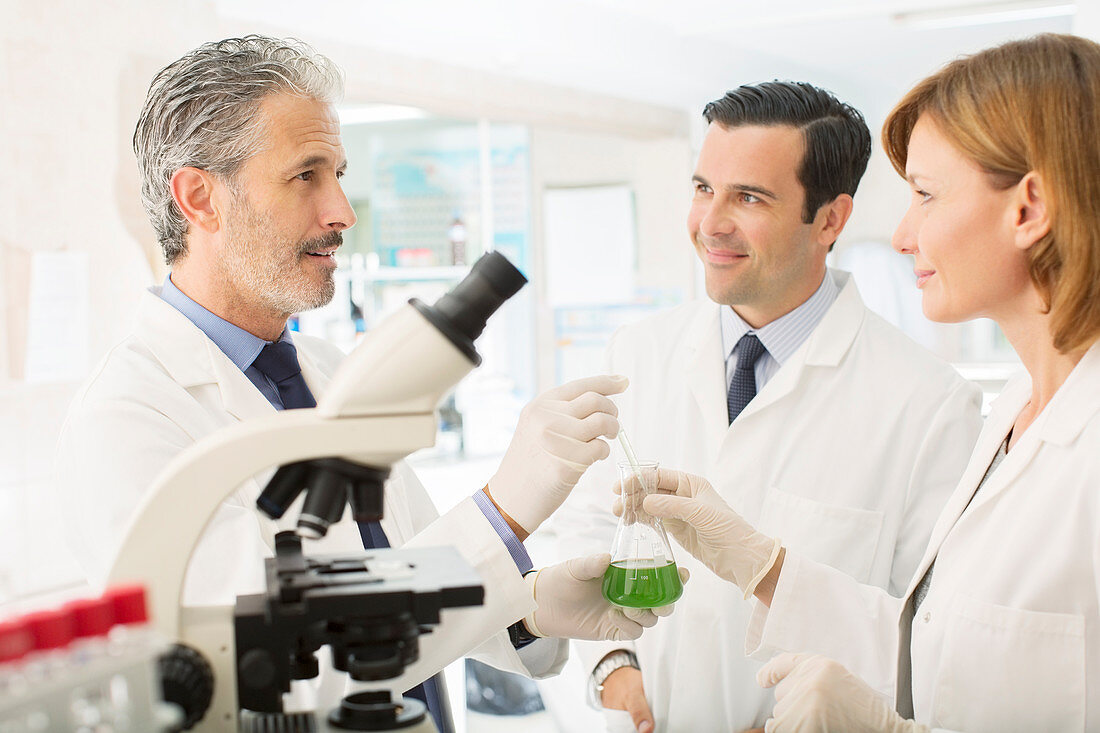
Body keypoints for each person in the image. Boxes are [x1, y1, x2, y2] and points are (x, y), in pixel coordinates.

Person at [53, 35, 677, 732]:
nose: (342, 211)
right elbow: (274, 666)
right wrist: (503, 511)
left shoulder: (323, 370)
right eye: (306, 176)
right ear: (200, 198)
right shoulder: (126, 420)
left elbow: (405, 574)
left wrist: (527, 607)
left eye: (339, 174)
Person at [642, 33, 1100, 732]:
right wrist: (764, 565)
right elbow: (945, 647)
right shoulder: (1022, 411)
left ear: (1029, 208)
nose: (902, 235)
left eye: (924, 195)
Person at [555, 81, 983, 732]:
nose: (710, 223)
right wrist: (614, 667)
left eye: (748, 197)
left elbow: (939, 644)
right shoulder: (639, 352)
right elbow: (591, 527)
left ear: (830, 220)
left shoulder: (931, 406)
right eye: (704, 189)